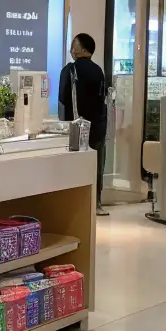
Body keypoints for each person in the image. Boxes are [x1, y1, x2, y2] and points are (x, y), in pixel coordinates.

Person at [58, 33, 109, 216]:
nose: (72, 49)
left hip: (77, 128)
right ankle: (96, 202)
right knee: (96, 165)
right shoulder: (99, 71)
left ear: (83, 50)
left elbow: (63, 100)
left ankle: (76, 204)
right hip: (98, 127)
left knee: (76, 167)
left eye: (74, 45)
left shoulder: (70, 70)